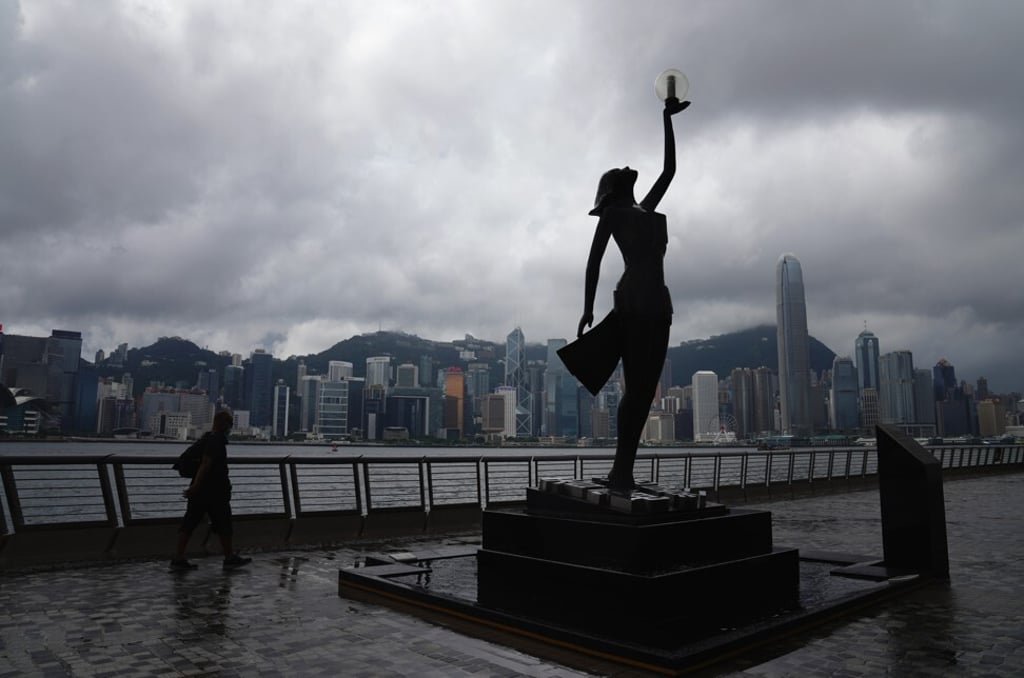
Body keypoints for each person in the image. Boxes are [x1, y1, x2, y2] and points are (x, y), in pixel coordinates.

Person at [573, 95, 689, 492]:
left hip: (658, 305)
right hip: (634, 302)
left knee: (645, 392)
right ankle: (620, 471)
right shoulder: (612, 214)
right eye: (617, 172)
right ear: (612, 189)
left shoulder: (646, 208)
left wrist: (667, 119)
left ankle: (623, 470)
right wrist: (588, 308)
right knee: (635, 389)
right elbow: (593, 262)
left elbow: (670, 170)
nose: (625, 168)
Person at [171, 410, 252, 570]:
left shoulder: (208, 437)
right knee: (224, 524)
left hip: (202, 490)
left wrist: (195, 486)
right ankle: (229, 557)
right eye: (229, 424)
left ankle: (178, 558)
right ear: (224, 424)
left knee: (190, 522)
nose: (230, 428)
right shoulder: (216, 440)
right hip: (213, 491)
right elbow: (206, 463)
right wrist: (195, 487)